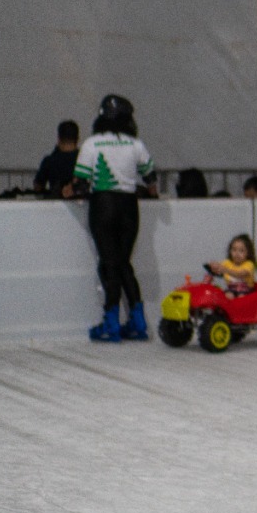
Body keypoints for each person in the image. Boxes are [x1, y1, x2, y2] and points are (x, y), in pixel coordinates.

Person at [72, 94, 158, 342]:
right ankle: (138, 321)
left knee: (109, 263)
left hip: (103, 205)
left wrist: (76, 191)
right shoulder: (135, 144)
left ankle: (111, 323)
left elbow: (80, 183)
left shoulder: (92, 144)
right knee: (123, 263)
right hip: (129, 206)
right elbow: (151, 178)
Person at [34, 120, 80, 199]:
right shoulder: (83, 161)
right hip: (81, 207)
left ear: (59, 138)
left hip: (55, 206)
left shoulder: (49, 160)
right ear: (77, 139)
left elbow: (38, 186)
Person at [209, 234, 256, 298]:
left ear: (248, 253)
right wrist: (214, 267)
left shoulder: (249, 264)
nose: (237, 253)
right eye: (234, 250)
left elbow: (241, 274)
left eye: (241, 251)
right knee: (228, 296)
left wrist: (225, 270)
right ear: (230, 251)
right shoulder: (227, 263)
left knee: (242, 297)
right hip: (231, 289)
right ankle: (229, 307)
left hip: (245, 290)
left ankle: (240, 307)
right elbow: (219, 269)